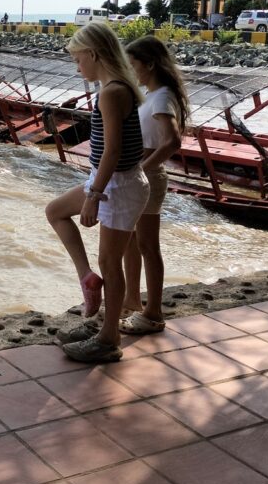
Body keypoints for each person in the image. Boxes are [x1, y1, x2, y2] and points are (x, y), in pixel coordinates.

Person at [45, 22, 149, 363]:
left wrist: (93, 196)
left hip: (117, 185)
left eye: (78, 60)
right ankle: (87, 279)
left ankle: (108, 338)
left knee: (110, 262)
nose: (77, 67)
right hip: (113, 181)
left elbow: (113, 151)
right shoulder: (115, 88)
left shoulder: (112, 92)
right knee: (56, 211)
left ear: (93, 54)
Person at [119, 36, 190, 334]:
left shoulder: (161, 97)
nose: (130, 70)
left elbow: (172, 141)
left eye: (133, 64)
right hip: (141, 176)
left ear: (149, 64)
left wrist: (142, 168)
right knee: (131, 242)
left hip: (147, 177)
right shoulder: (153, 95)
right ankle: (132, 301)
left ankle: (153, 313)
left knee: (147, 245)